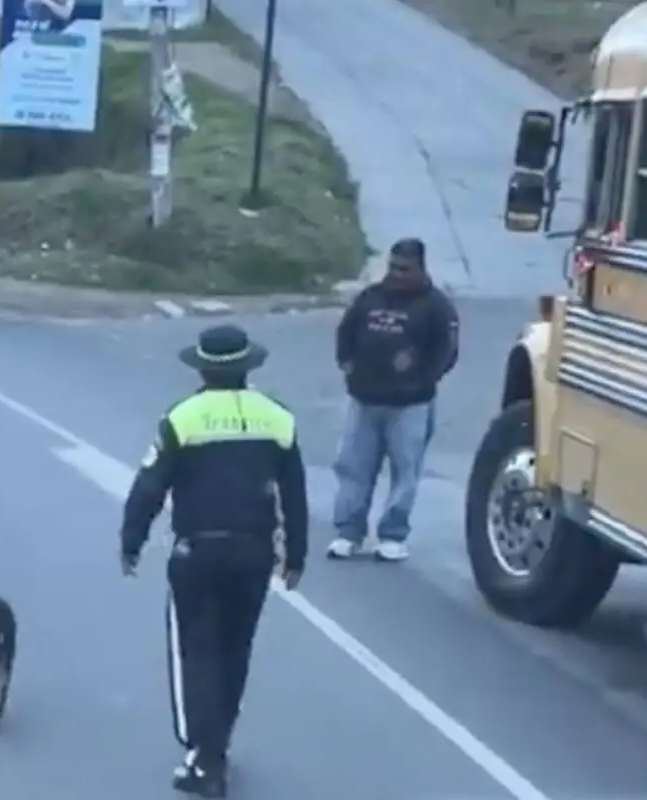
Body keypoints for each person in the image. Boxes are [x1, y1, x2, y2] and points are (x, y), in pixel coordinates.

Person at [119, 324, 308, 799]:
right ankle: (218, 744)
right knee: (234, 651)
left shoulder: (183, 418)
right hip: (254, 554)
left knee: (195, 653)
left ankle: (204, 757)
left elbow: (149, 486)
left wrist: (131, 540)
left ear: (201, 369)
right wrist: (296, 555)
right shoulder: (278, 418)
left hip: (198, 553)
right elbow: (297, 495)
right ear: (248, 368)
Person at [327, 237, 459, 562]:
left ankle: (392, 535)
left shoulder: (436, 306)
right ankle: (349, 533)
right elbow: (346, 332)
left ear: (419, 268)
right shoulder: (369, 298)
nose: (397, 275)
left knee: (405, 471)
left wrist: (423, 378)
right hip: (364, 400)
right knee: (354, 468)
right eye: (393, 267)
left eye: (405, 269)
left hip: (411, 405)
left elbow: (448, 350)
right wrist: (347, 363)